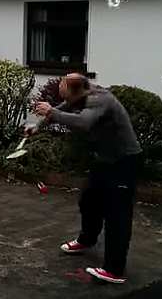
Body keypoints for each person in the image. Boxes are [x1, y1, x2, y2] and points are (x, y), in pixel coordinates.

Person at [29, 73, 142, 284]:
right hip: (105, 160)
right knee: (88, 199)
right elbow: (63, 108)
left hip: (124, 161)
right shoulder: (80, 94)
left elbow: (84, 122)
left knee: (117, 216)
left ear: (78, 90)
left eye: (66, 95)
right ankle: (86, 240)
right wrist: (36, 127)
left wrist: (51, 111)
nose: (66, 100)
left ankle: (114, 270)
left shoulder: (100, 100)